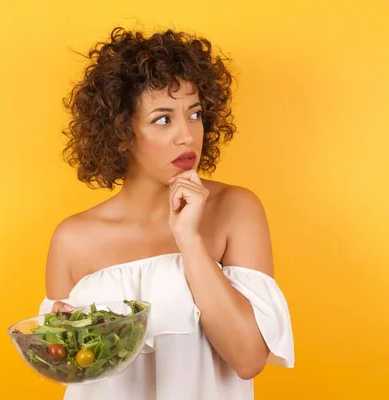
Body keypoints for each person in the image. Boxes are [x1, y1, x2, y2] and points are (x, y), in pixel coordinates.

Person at [38, 26, 294, 400]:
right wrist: (67, 337)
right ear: (122, 133)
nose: (188, 136)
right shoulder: (72, 239)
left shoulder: (235, 211)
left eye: (194, 114)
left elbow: (248, 357)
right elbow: (68, 370)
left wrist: (189, 240)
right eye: (163, 119)